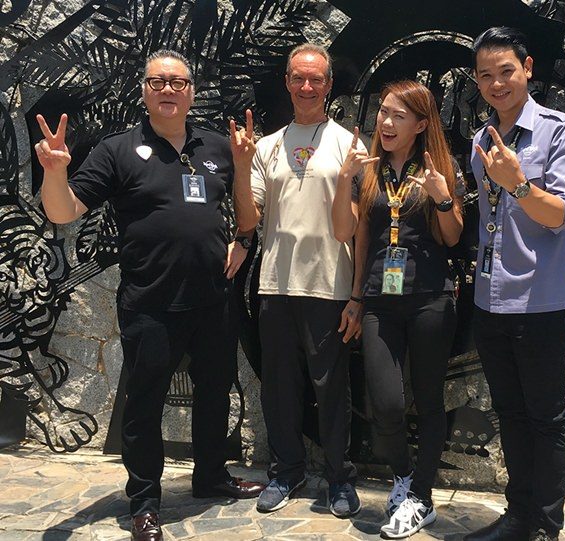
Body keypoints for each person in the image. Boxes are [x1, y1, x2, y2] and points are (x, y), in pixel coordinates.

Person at [35, 49, 265, 541]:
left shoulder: (217, 146)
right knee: (144, 404)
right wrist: (55, 171)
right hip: (151, 303)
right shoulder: (117, 150)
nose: (168, 90)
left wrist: (243, 238)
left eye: (178, 82)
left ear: (191, 92)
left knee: (215, 392)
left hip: (213, 299)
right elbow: (63, 212)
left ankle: (210, 475)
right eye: (158, 81)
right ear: (144, 90)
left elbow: (246, 216)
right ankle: (144, 500)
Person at [231, 43, 362, 518]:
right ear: (287, 82)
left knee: (332, 390)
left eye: (316, 79)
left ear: (329, 85)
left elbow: (360, 227)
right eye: (299, 78)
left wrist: (357, 296)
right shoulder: (265, 147)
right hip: (275, 285)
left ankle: (339, 477)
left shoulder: (350, 144)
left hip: (329, 285)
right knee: (279, 388)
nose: (307, 86)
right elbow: (249, 220)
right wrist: (241, 166)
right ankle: (286, 471)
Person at [465, 27, 565, 541]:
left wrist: (516, 183)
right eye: (486, 75)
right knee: (510, 414)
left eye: (506, 71)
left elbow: (561, 215)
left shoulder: (560, 132)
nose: (497, 83)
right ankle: (518, 517)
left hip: (540, 301)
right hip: (489, 300)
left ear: (528, 68)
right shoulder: (480, 140)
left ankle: (545, 526)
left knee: (546, 418)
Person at [332, 80, 464, 538]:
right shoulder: (367, 171)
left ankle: (421, 498)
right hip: (379, 303)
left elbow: (452, 236)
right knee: (384, 402)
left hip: (431, 298)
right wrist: (344, 179)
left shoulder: (441, 168)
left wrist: (442, 196)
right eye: (383, 112)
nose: (386, 122)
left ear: (421, 125)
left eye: (398, 116)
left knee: (428, 401)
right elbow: (348, 233)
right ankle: (404, 478)